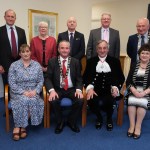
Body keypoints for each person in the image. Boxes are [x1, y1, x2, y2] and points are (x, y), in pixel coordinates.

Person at [83, 40, 124, 131]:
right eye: (100, 48)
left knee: (110, 100)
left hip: (109, 89)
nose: (102, 50)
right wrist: (89, 88)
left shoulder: (115, 61)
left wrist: (116, 88)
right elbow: (86, 77)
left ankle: (109, 119)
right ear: (97, 50)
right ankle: (99, 118)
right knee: (92, 99)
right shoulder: (91, 61)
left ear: (107, 49)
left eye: (104, 48)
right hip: (95, 89)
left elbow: (120, 77)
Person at [45, 40, 83, 134]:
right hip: (57, 89)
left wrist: (78, 90)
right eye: (62, 48)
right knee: (53, 100)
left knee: (80, 100)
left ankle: (71, 121)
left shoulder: (75, 61)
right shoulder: (52, 61)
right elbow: (47, 78)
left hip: (71, 89)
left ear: (69, 50)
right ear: (58, 49)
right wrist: (52, 90)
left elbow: (79, 78)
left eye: (67, 48)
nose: (64, 50)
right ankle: (60, 122)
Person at [8, 44, 44, 141]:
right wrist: (23, 92)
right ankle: (19, 126)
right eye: (23, 52)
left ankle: (21, 126)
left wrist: (35, 91)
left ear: (30, 52)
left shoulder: (36, 65)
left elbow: (41, 80)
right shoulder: (14, 65)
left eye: (27, 51)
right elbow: (11, 82)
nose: (25, 53)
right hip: (18, 92)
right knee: (24, 100)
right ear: (20, 54)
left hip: (33, 91)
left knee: (32, 100)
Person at [125, 43, 150, 139]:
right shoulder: (134, 65)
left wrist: (144, 93)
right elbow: (128, 81)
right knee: (131, 101)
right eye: (143, 53)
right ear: (139, 54)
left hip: (146, 92)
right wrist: (134, 91)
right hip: (134, 90)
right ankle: (131, 126)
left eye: (147, 53)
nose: (144, 55)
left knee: (142, 103)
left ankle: (138, 126)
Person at [0, 9, 27, 85]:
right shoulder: (0, 30)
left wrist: (25, 62)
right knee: (8, 88)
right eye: (8, 16)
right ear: (4, 17)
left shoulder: (21, 31)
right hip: (5, 66)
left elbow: (24, 48)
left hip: (20, 64)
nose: (10, 18)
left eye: (12, 17)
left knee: (21, 86)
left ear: (15, 18)